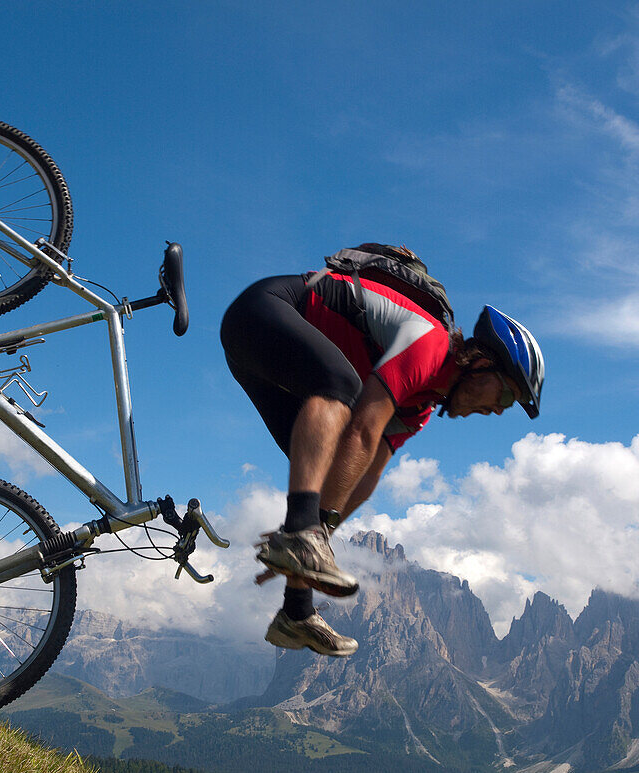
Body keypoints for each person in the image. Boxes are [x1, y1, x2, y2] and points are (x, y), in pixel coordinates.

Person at [220, 244, 544, 657]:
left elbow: (367, 474)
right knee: (341, 389)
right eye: (506, 394)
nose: (498, 410)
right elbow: (363, 430)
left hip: (262, 359)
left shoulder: (420, 407)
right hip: (261, 313)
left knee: (324, 474)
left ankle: (294, 614)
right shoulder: (430, 343)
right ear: (480, 362)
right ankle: (301, 539)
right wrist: (307, 533)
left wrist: (312, 544)